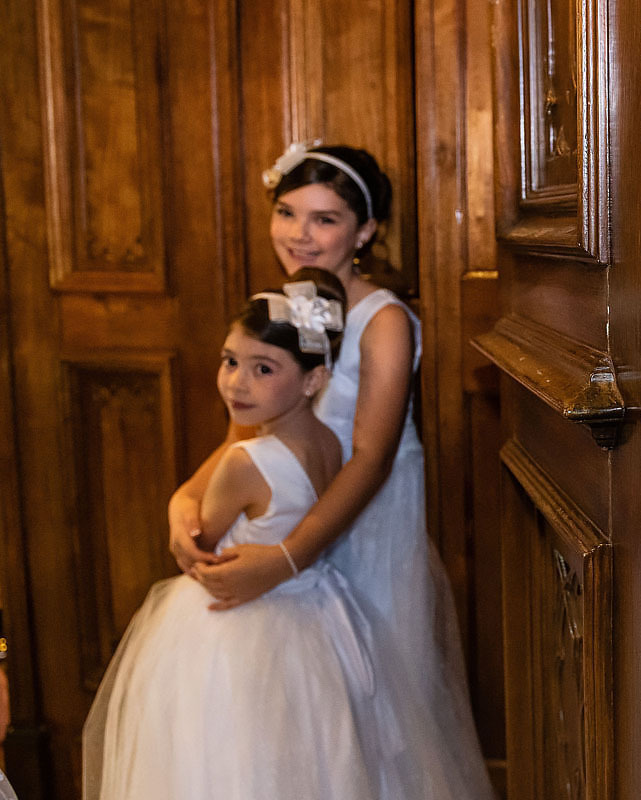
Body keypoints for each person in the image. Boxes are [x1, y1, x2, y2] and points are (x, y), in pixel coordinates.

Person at [166, 143, 493, 798]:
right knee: (298, 711)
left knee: (375, 705)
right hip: (286, 511)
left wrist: (288, 558)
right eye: (288, 214)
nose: (300, 235)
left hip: (366, 527)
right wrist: (184, 503)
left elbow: (369, 460)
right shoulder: (279, 308)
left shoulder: (384, 321)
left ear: (365, 231)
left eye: (325, 219)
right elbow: (242, 426)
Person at [83, 269, 393, 798]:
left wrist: (186, 523)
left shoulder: (246, 461)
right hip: (314, 616)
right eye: (230, 361)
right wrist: (179, 501)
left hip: (237, 629)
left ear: (313, 380)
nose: (236, 382)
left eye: (262, 368)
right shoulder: (329, 445)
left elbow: (204, 535)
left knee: (223, 761)